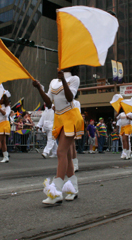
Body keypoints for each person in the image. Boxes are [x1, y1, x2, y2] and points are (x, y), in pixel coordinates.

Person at [32, 66, 84, 204]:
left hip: (71, 117)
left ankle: (56, 192)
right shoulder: (53, 81)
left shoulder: (74, 78)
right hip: (59, 118)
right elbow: (49, 103)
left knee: (61, 152)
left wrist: (64, 80)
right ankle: (74, 189)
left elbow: (69, 97)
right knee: (66, 155)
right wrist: (39, 88)